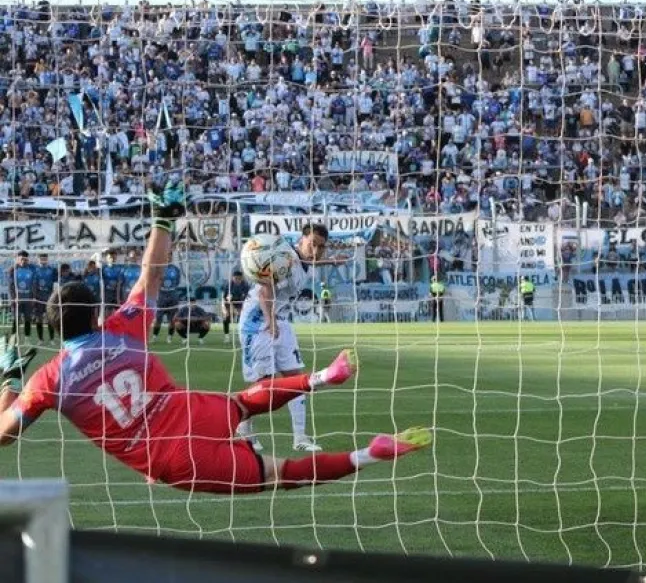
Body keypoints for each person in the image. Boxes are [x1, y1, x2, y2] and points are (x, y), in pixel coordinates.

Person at [0, 182, 432, 495]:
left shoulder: (48, 380)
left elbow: (3, 434)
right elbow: (150, 277)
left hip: (171, 460)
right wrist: (163, 220)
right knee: (244, 402)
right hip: (187, 409)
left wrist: (10, 382)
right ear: (97, 314)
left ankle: (369, 455)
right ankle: (321, 377)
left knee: (281, 473)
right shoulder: (121, 330)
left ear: (53, 325)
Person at [237, 224, 329, 453]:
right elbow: (263, 291)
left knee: (296, 379)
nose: (316, 250)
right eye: (312, 244)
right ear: (301, 240)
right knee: (264, 384)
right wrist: (271, 320)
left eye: (321, 247)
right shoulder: (284, 258)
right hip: (258, 322)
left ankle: (300, 437)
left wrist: (333, 261)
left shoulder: (306, 262)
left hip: (282, 320)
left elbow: (310, 263)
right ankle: (244, 428)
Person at [150, 259, 183, 344]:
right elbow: (155, 280)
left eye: (170, 256)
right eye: (167, 256)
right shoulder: (159, 268)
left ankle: (169, 337)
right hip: (162, 296)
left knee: (172, 320)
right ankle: (154, 337)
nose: (168, 258)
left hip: (173, 296)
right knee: (158, 319)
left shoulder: (175, 269)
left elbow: (177, 282)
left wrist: (171, 289)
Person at [7, 251, 35, 342]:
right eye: (21, 259)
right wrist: (14, 298)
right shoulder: (13, 270)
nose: (23, 261)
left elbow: (33, 285)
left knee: (27, 319)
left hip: (27, 300)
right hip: (17, 300)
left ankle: (27, 338)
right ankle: (13, 339)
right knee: (16, 319)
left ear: (28, 260)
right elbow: (11, 286)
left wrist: (33, 297)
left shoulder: (31, 270)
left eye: (25, 259)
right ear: (18, 259)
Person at [32, 254, 57, 345]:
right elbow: (33, 284)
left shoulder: (52, 270)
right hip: (38, 298)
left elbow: (55, 283)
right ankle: (40, 339)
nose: (43, 260)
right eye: (41, 259)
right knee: (39, 319)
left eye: (45, 259)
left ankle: (52, 339)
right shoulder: (35, 269)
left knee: (50, 319)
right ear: (38, 260)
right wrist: (34, 297)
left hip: (49, 298)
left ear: (47, 259)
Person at [222, 269, 251, 345]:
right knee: (226, 319)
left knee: (241, 320)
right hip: (230, 303)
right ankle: (226, 336)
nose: (237, 280)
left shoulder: (245, 285)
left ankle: (241, 336)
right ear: (232, 278)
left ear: (242, 278)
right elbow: (224, 298)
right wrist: (226, 309)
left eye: (239, 278)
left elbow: (248, 298)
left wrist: (241, 309)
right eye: (236, 278)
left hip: (241, 304)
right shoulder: (228, 285)